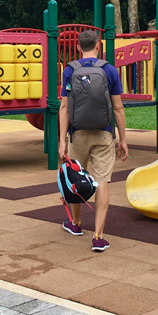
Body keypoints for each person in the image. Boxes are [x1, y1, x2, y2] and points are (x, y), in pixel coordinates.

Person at [58, 29, 128, 252]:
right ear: (98, 45)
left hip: (77, 134)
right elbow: (117, 107)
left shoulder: (70, 71)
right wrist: (123, 139)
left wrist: (62, 140)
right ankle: (98, 236)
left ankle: (76, 224)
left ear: (79, 47)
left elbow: (64, 108)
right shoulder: (109, 70)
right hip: (104, 133)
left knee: (75, 178)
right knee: (102, 183)